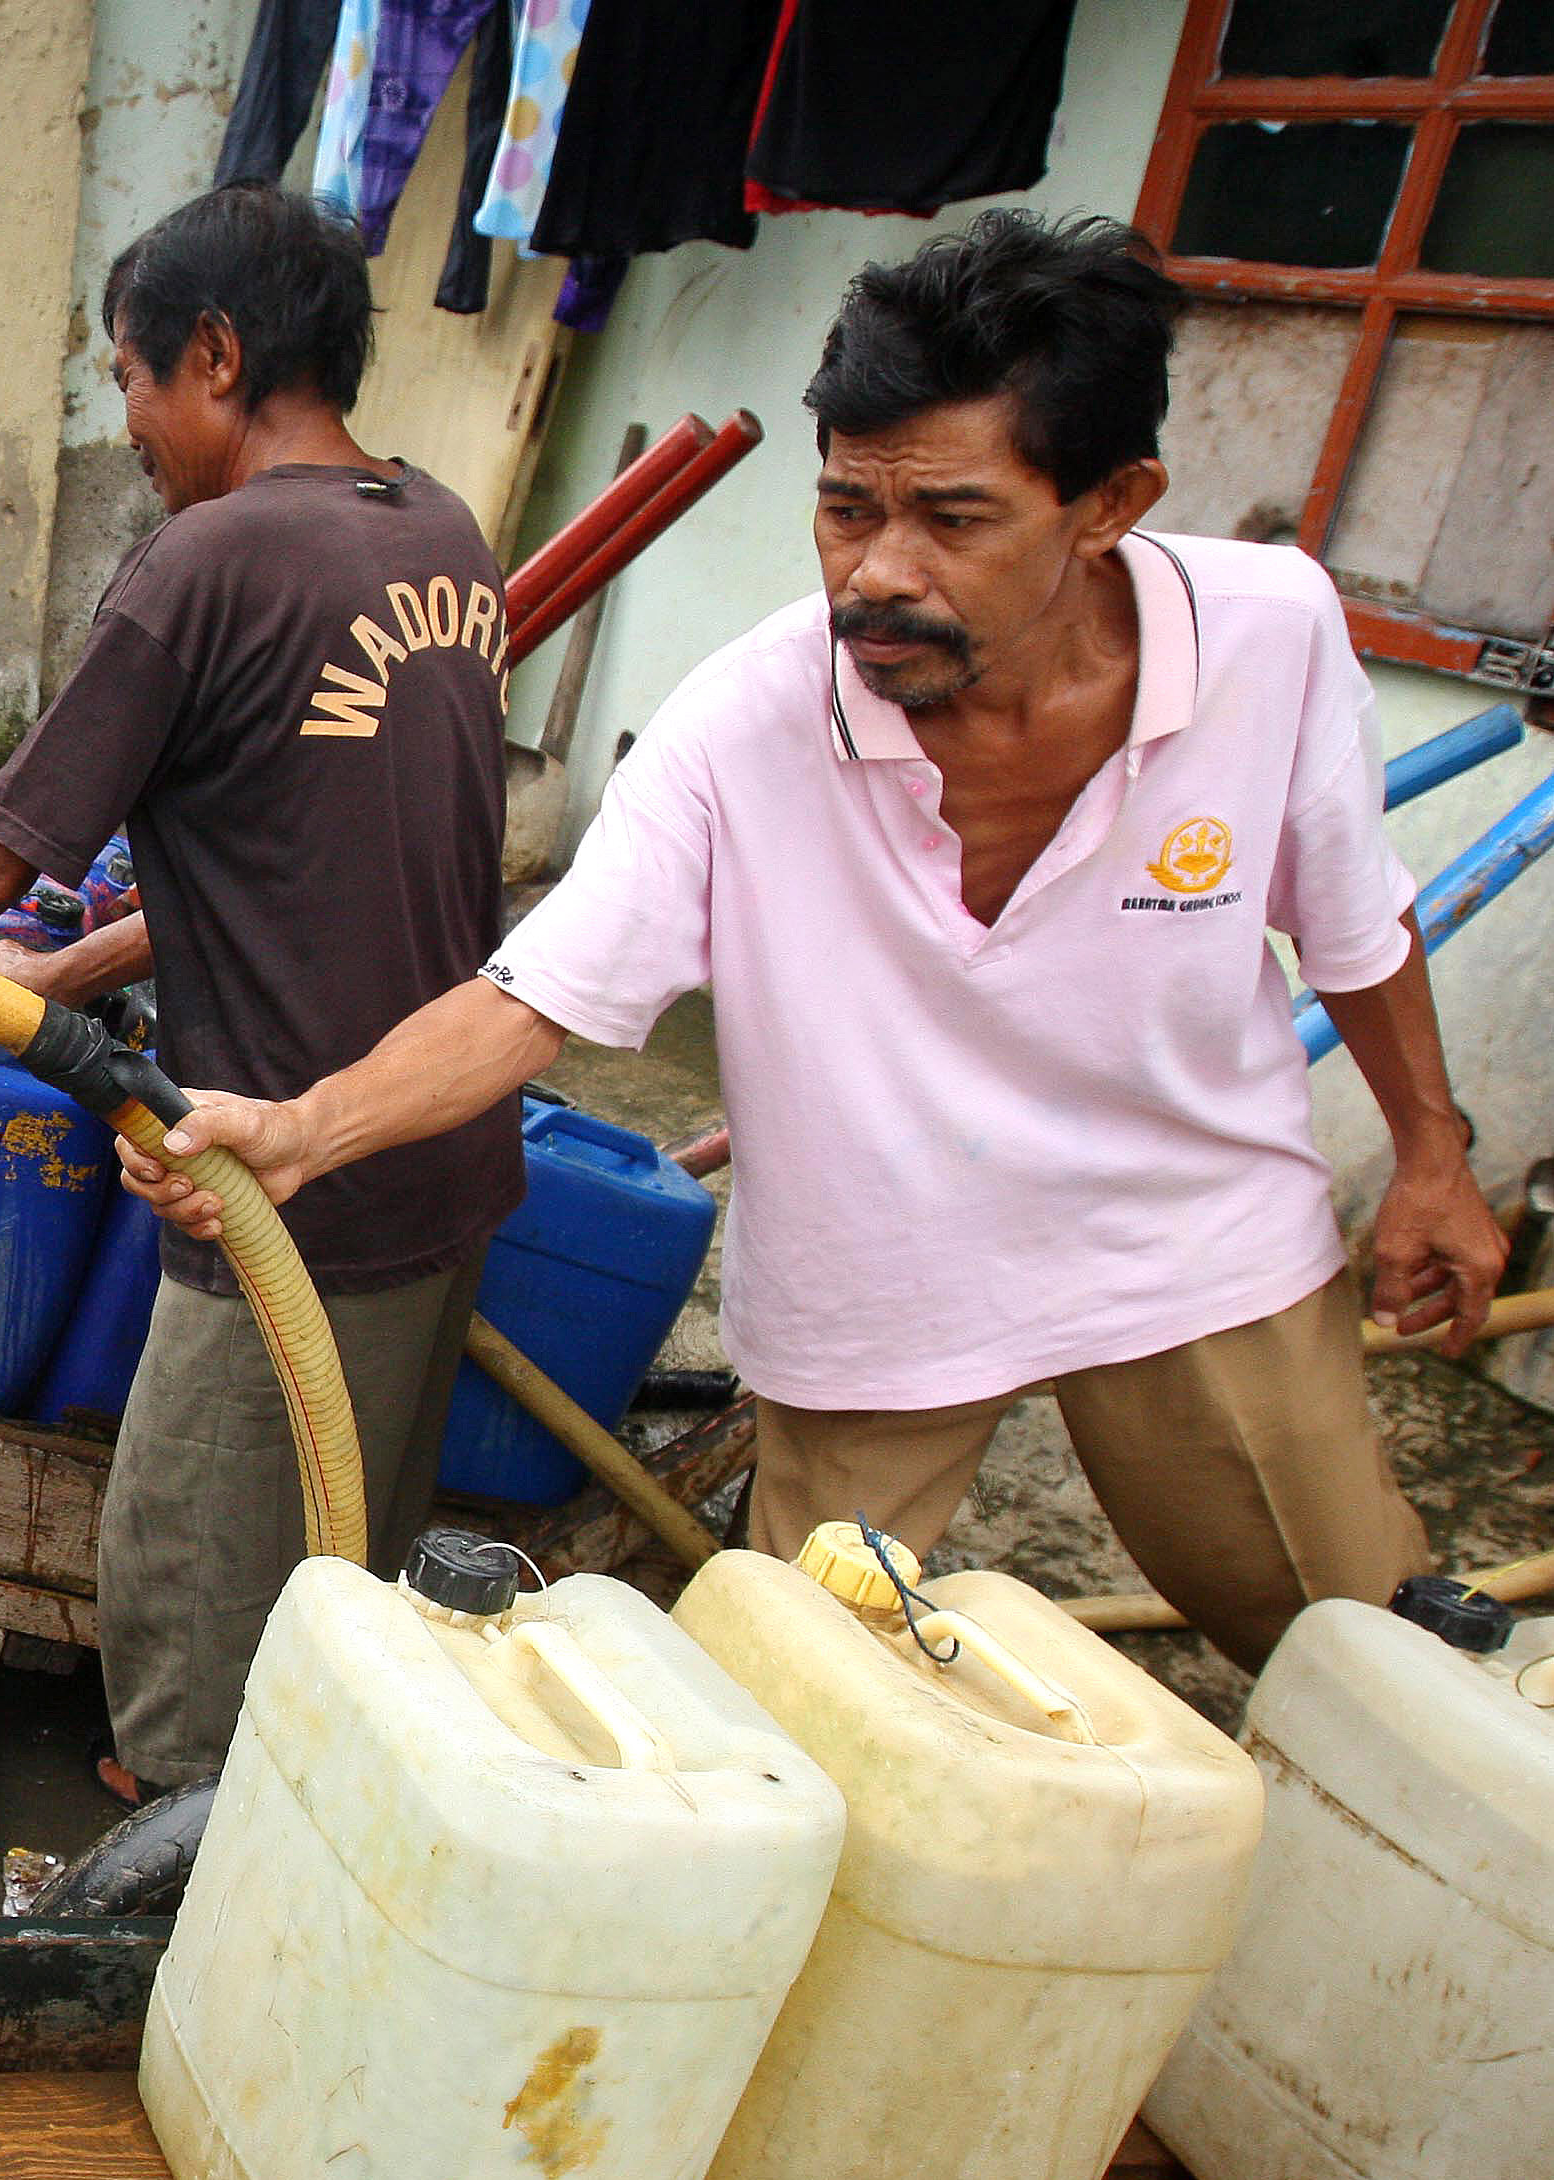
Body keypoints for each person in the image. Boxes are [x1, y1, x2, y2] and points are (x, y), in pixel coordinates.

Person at [127, 211, 1506, 1675]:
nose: (878, 573)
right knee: (788, 1692)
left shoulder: (1269, 633)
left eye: (954, 520)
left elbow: (1355, 922)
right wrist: (305, 1129)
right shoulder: (746, 720)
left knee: (1361, 1652)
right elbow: (533, 996)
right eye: (847, 508)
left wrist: (1431, 1158)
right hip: (882, 1264)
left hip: (1193, 1235)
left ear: (1111, 502)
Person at [0, 184, 520, 1803]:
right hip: (441, 1147)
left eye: (130, 377)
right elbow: (286, 852)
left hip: (275, 1182)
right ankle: (301, 1825)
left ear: (213, 357)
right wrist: (58, 975)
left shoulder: (206, 561)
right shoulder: (437, 532)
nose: (128, 423)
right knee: (337, 1591)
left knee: (189, 1639)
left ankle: (172, 1892)